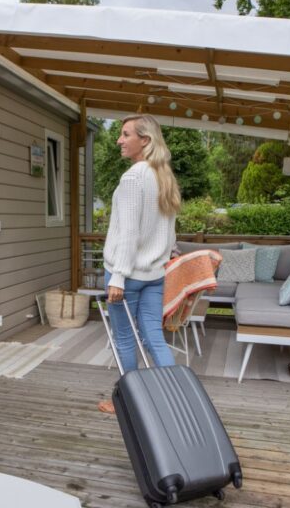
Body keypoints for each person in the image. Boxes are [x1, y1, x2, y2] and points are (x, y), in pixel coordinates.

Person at [98, 114, 181, 414]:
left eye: (125, 134)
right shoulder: (164, 176)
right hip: (154, 275)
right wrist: (166, 256)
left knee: (124, 339)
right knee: (154, 337)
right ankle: (175, 400)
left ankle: (129, 404)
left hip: (128, 274)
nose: (119, 140)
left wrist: (117, 276)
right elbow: (170, 230)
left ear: (144, 140)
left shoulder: (134, 176)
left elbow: (129, 231)